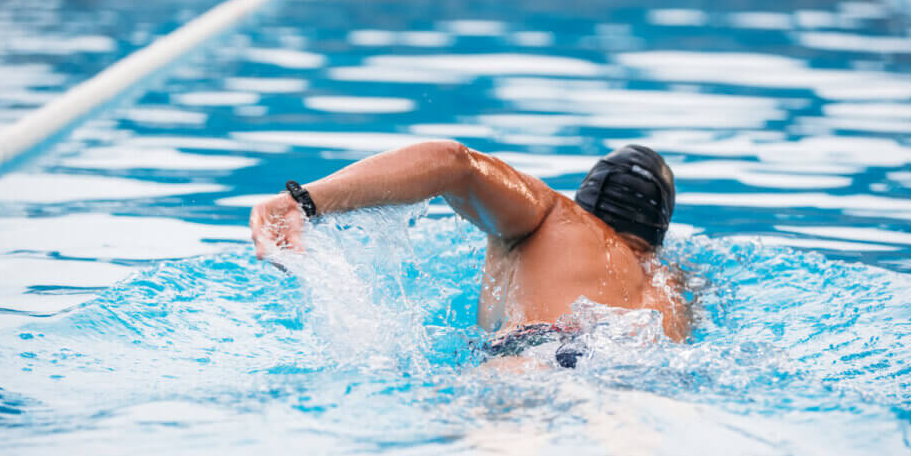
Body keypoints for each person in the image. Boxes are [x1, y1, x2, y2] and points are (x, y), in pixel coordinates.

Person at [249, 140, 690, 368]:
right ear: (655, 234)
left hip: (539, 352)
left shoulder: (556, 215)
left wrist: (304, 201)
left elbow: (453, 162)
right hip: (638, 372)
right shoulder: (670, 285)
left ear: (586, 199)